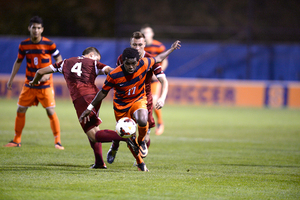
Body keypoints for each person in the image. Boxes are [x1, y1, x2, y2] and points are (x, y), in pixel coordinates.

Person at [79, 41, 181, 171]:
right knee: (127, 136)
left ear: (138, 61)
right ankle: (134, 159)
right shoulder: (114, 75)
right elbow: (102, 93)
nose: (131, 66)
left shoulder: (144, 63)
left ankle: (141, 142)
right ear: (123, 62)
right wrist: (89, 108)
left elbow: (159, 58)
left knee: (143, 119)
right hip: (121, 107)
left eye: (133, 63)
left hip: (138, 100)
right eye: (128, 64)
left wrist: (171, 49)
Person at [28, 47, 135, 169]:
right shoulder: (93, 62)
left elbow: (40, 72)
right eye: (97, 58)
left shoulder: (65, 62)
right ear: (91, 55)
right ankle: (99, 163)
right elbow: (109, 70)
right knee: (93, 130)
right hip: (94, 96)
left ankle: (126, 137)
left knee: (94, 134)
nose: (98, 60)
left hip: (80, 98)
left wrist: (34, 82)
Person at [107, 31, 169, 164]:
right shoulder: (123, 58)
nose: (137, 48)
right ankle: (114, 146)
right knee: (123, 128)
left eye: (140, 44)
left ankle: (139, 156)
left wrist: (162, 98)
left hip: (144, 98)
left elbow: (163, 79)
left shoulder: (150, 59)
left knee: (146, 130)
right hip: (125, 98)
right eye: (134, 44)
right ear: (130, 44)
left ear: (145, 44)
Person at [4, 16, 64, 150]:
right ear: (29, 28)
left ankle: (58, 141)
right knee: (20, 109)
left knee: (50, 111)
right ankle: (16, 140)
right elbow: (18, 61)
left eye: (38, 28)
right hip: (29, 84)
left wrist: (48, 73)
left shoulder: (49, 44)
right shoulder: (24, 45)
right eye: (33, 27)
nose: (36, 30)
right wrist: (11, 78)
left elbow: (59, 59)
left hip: (45, 85)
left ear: (42, 29)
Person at [141, 24, 168, 136]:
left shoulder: (158, 46)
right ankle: (144, 124)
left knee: (154, 100)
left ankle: (160, 123)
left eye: (148, 32)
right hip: (143, 79)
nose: (146, 35)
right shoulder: (140, 47)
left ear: (152, 34)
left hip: (154, 79)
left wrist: (158, 73)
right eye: (144, 33)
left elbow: (165, 61)